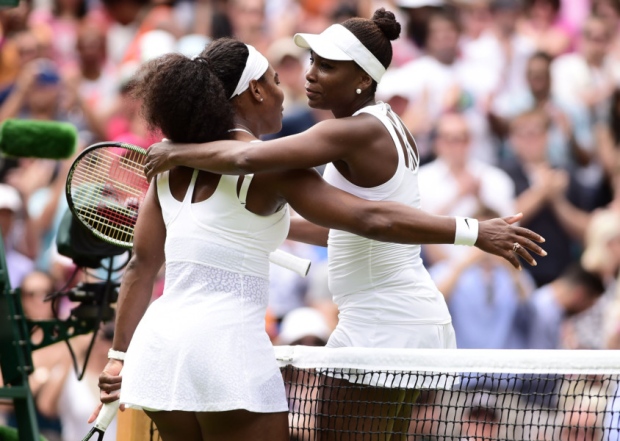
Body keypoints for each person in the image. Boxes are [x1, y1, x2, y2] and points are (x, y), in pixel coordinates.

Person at [143, 10, 545, 439]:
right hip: (397, 317)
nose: (310, 75)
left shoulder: (357, 132)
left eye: (327, 66)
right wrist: (259, 227)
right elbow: (350, 224)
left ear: (362, 78)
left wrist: (177, 152)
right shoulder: (376, 125)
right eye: (312, 62)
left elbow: (249, 158)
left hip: (385, 323)